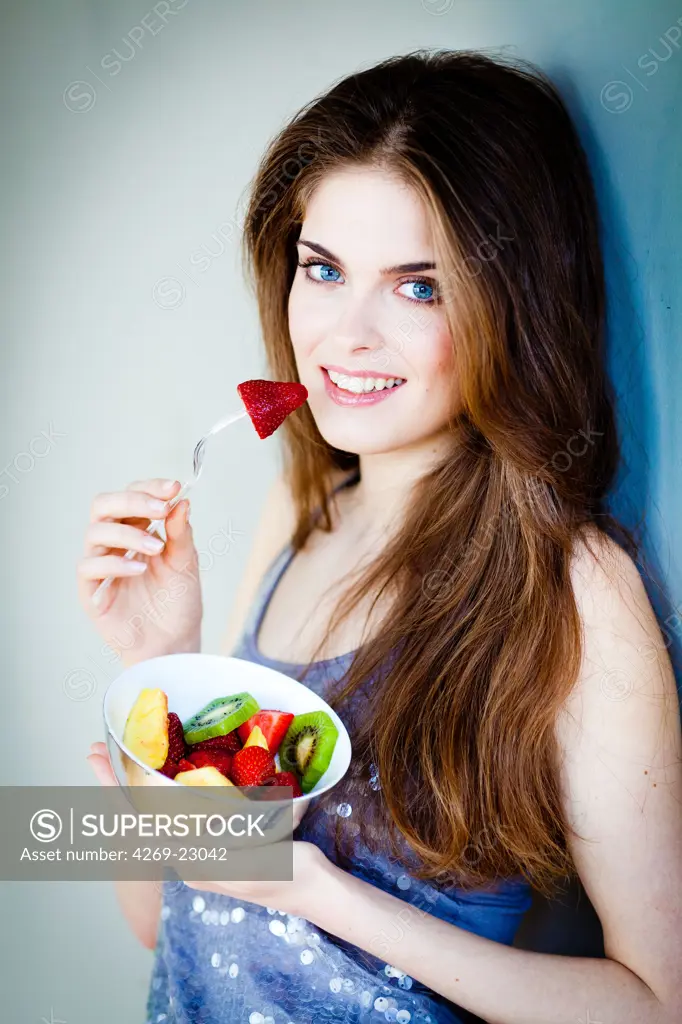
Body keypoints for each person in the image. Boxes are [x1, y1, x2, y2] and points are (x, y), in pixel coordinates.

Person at [78, 48, 682, 1024]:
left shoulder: (574, 586)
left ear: (509, 308)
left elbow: (658, 1002)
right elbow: (164, 919)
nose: (345, 335)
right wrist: (157, 670)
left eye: (418, 287)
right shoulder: (296, 516)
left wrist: (323, 893)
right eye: (323, 270)